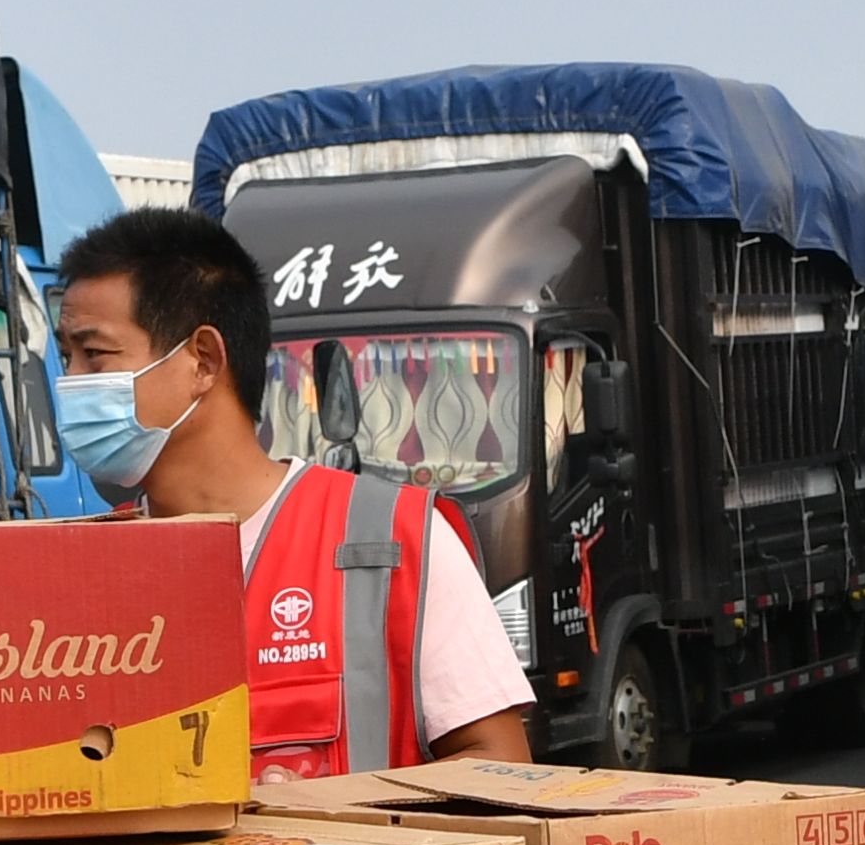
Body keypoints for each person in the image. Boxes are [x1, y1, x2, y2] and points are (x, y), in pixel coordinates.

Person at [49, 205, 538, 772]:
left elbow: (502, 769)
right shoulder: (86, 573)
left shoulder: (395, 541)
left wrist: (320, 814)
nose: (70, 385)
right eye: (66, 358)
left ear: (203, 361)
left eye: (95, 355)